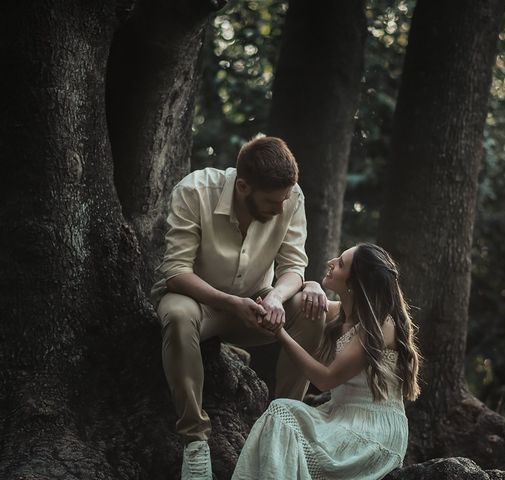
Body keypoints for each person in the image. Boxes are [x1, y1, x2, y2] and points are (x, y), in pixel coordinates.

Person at [150, 136, 327, 480]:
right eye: (273, 202)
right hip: (198, 303)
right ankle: (195, 443)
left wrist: (275, 297)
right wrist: (230, 302)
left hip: (260, 302)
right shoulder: (195, 190)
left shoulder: (290, 198)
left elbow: (294, 267)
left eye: (286, 199)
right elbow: (176, 272)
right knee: (177, 316)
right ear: (243, 187)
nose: (281, 209)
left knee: (309, 305)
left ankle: (284, 428)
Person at [232, 243, 422, 480]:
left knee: (281, 411)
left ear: (354, 283)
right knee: (277, 417)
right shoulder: (342, 314)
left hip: (371, 431)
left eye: (341, 264)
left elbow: (325, 380)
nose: (331, 262)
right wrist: (311, 285)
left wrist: (280, 333)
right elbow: (309, 301)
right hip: (338, 417)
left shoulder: (381, 326)